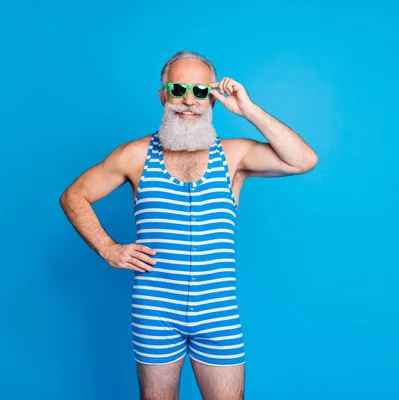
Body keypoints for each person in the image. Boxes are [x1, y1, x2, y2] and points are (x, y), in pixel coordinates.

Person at [59, 50, 318, 400]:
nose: (188, 101)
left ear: (212, 97)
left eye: (200, 91)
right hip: (155, 310)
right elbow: (74, 196)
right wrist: (109, 249)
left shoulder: (233, 156)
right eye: (179, 89)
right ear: (163, 95)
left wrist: (248, 110)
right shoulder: (134, 156)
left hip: (218, 311)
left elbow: (303, 160)